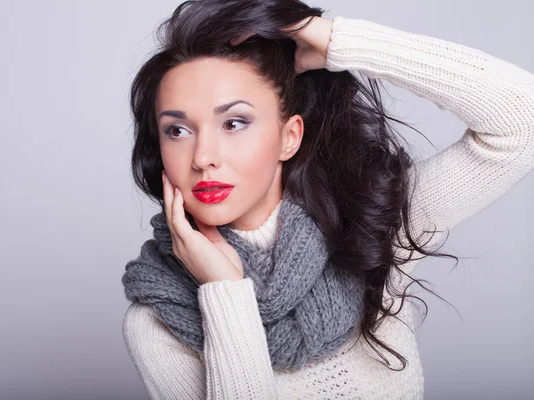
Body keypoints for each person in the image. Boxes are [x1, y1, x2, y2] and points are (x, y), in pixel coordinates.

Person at [121, 0, 534, 398]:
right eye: (177, 131)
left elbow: (522, 120)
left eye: (234, 123)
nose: (203, 158)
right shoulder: (156, 319)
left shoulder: (371, 227)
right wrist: (226, 290)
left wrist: (334, 39)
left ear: (289, 137)